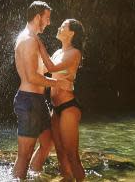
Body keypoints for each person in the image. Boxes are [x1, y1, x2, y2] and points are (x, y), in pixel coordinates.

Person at [13, 1, 73, 180]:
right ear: (38, 16)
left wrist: (65, 67)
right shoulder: (29, 40)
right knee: (24, 153)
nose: (48, 23)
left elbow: (41, 69)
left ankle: (33, 175)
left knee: (47, 143)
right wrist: (58, 84)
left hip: (37, 101)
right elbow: (31, 76)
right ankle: (19, 177)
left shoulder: (33, 38)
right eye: (46, 18)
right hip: (28, 100)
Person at [35, 18, 85, 181]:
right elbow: (44, 69)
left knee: (72, 155)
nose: (59, 27)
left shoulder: (75, 53)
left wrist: (39, 44)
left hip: (68, 107)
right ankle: (69, 179)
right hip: (55, 107)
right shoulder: (57, 52)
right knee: (60, 152)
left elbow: (51, 68)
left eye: (63, 26)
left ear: (71, 33)